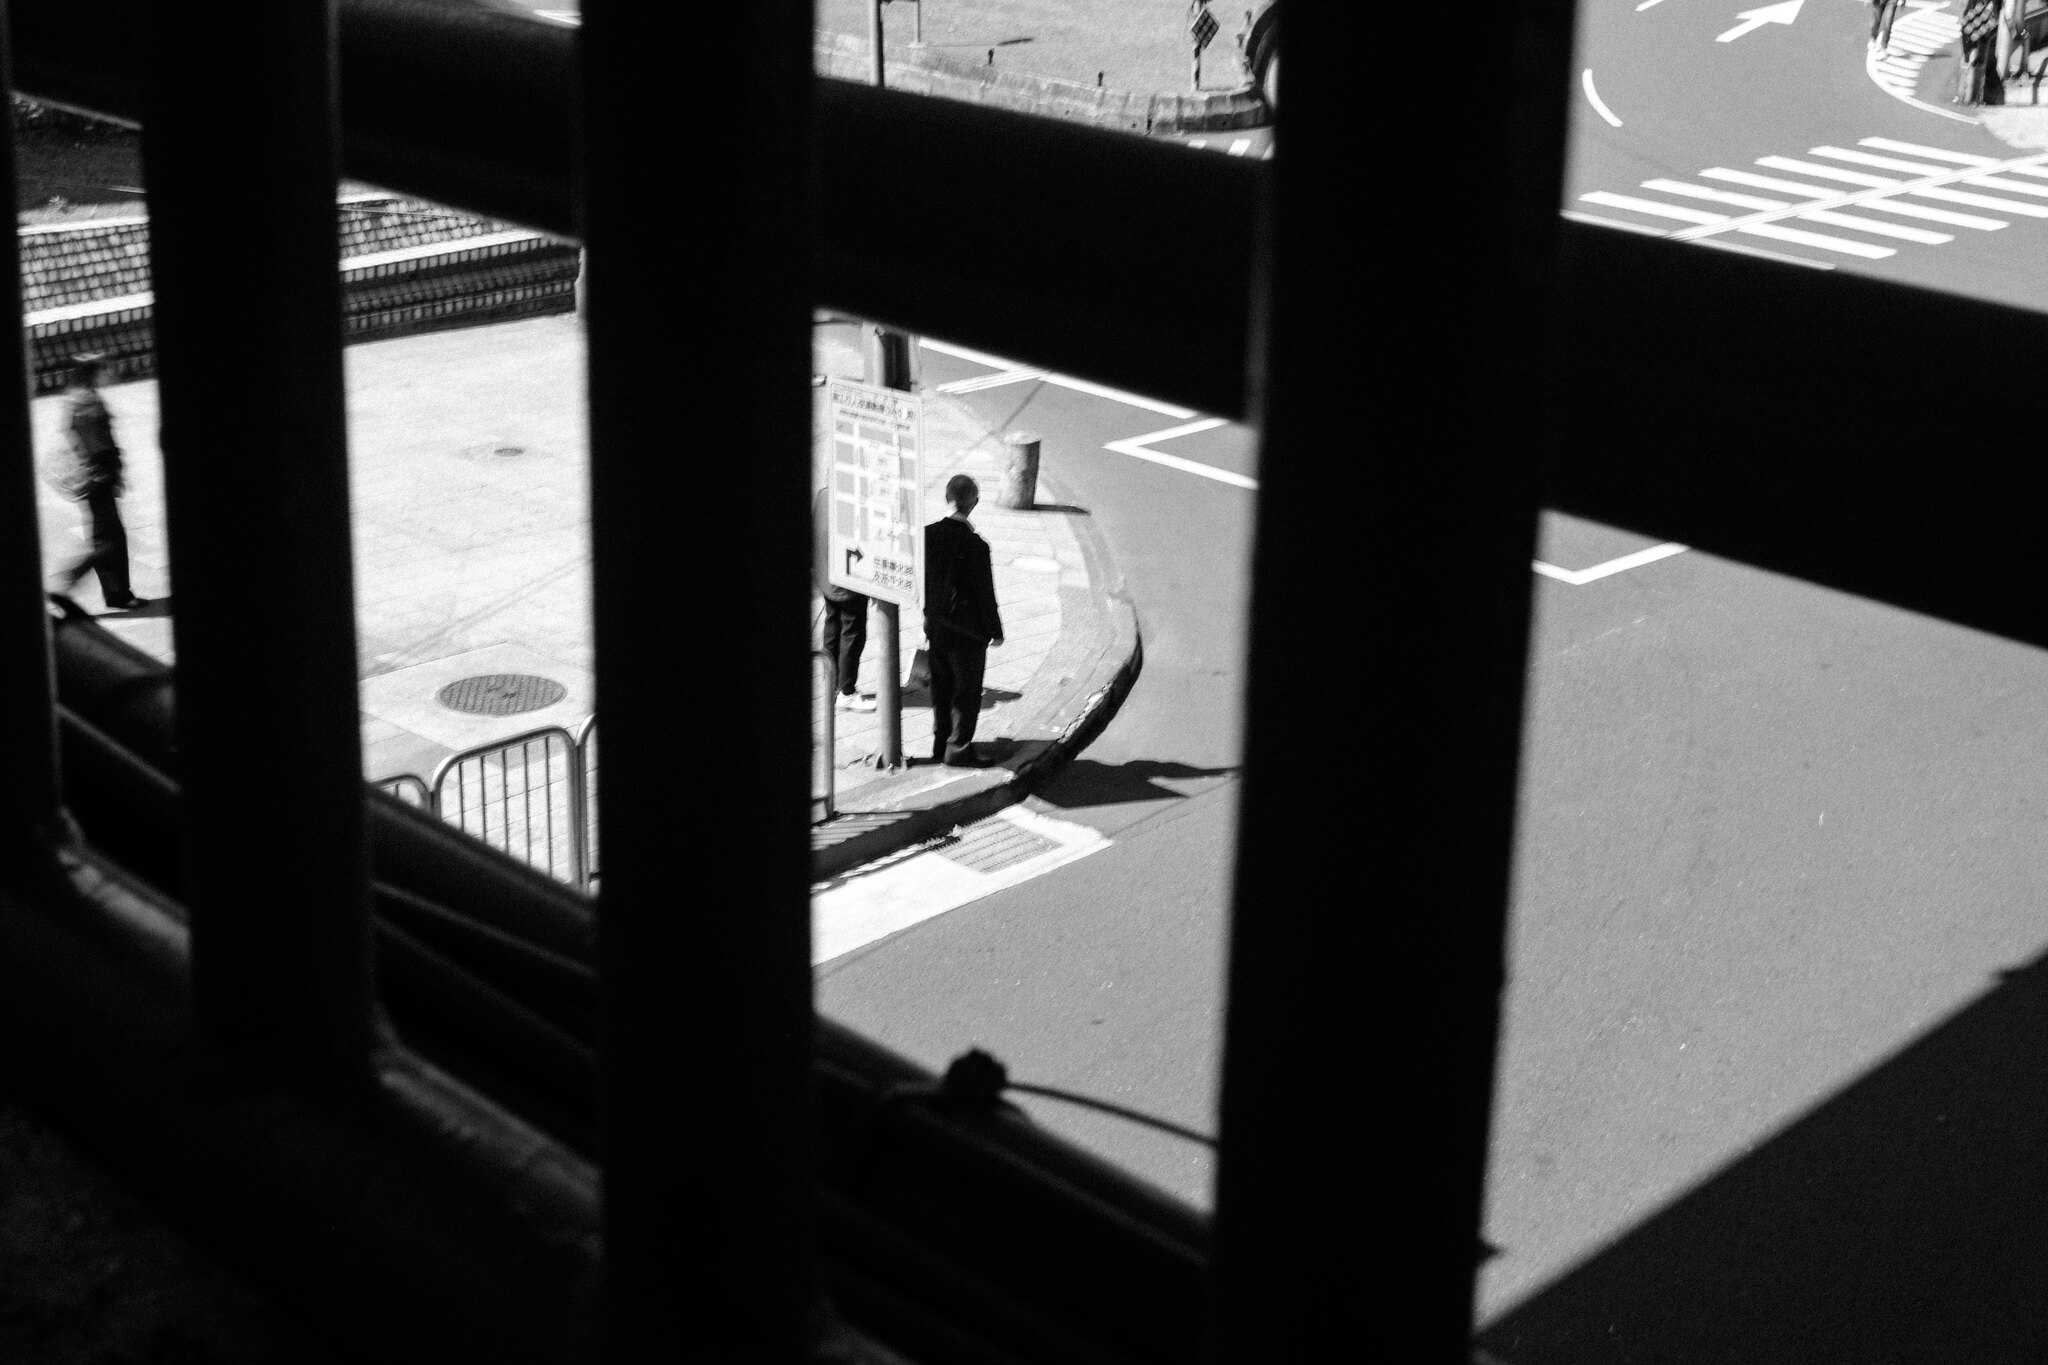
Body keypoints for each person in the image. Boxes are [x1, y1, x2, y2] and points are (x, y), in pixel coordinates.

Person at [50, 353, 143, 612]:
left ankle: (118, 594)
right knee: (110, 541)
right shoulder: (89, 401)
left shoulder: (74, 398)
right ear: (92, 373)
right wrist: (113, 472)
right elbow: (100, 443)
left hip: (89, 476)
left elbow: (73, 433)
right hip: (100, 476)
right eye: (101, 369)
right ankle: (71, 580)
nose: (105, 372)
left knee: (105, 537)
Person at [922, 474, 1004, 767]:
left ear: (946, 498)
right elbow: (985, 593)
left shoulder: (927, 535)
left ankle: (939, 743)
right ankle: (957, 749)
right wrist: (996, 631)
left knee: (941, 690)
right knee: (966, 693)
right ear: (975, 504)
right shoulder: (977, 547)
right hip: (968, 634)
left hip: (936, 628)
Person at [813, 486, 875, 711]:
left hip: (826, 575)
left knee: (832, 624)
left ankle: (831, 683)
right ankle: (846, 692)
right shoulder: (856, 498)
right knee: (852, 633)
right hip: (848, 580)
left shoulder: (824, 493)